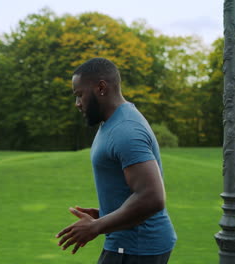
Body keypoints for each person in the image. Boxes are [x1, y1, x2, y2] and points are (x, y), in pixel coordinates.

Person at [56, 58, 177, 264]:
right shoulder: (113, 122)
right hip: (128, 244)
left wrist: (97, 226)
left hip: (136, 248)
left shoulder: (126, 129)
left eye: (79, 95)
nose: (77, 104)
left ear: (101, 88)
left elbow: (152, 197)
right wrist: (104, 215)